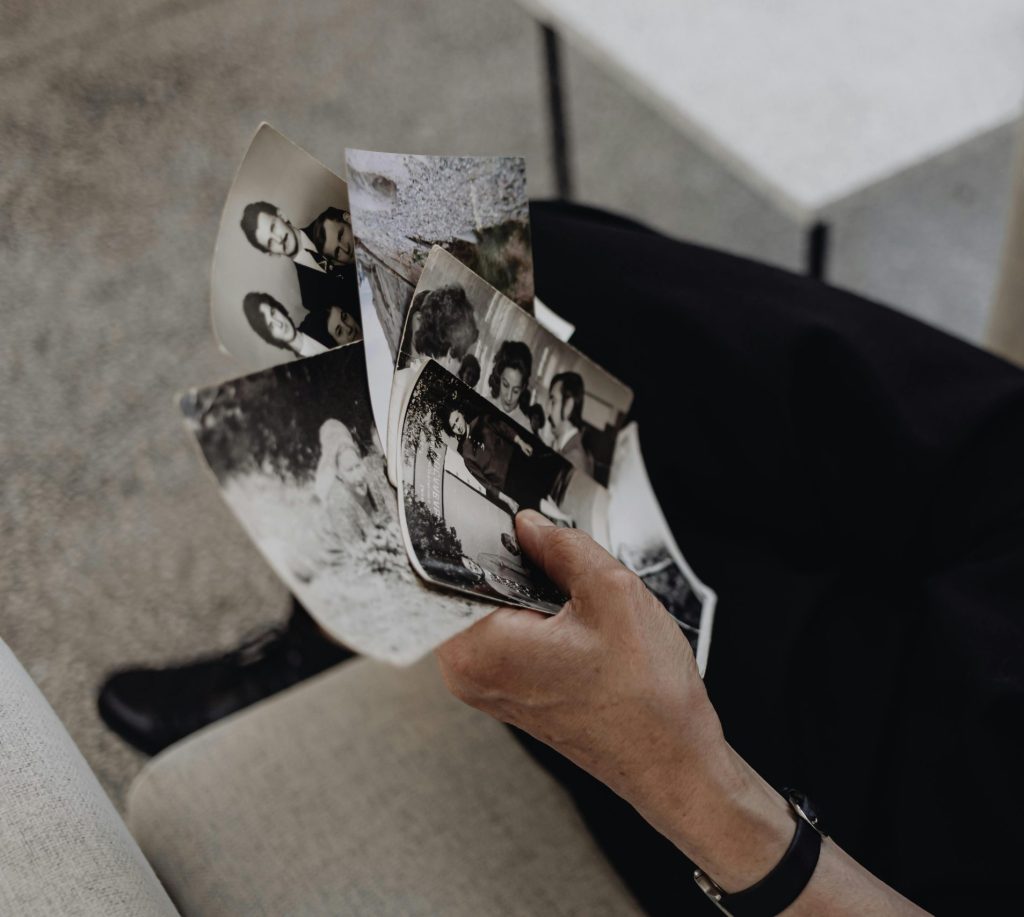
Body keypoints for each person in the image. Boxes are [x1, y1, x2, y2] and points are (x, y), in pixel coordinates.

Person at [240, 201, 353, 275]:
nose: (279, 239)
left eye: (273, 227)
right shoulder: (310, 298)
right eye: (270, 242)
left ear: (281, 215)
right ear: (271, 253)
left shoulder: (329, 220)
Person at [241, 291, 327, 359]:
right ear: (271, 337)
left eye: (273, 313)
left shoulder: (320, 319)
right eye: (271, 326)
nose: (279, 324)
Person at [547, 371, 594, 476]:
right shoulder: (569, 447)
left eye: (553, 402)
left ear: (568, 406)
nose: (548, 410)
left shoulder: (572, 459)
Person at [487, 340, 534, 429]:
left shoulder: (525, 426)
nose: (509, 397)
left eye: (516, 391)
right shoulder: (484, 405)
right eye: (505, 385)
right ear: (499, 376)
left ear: (523, 388)